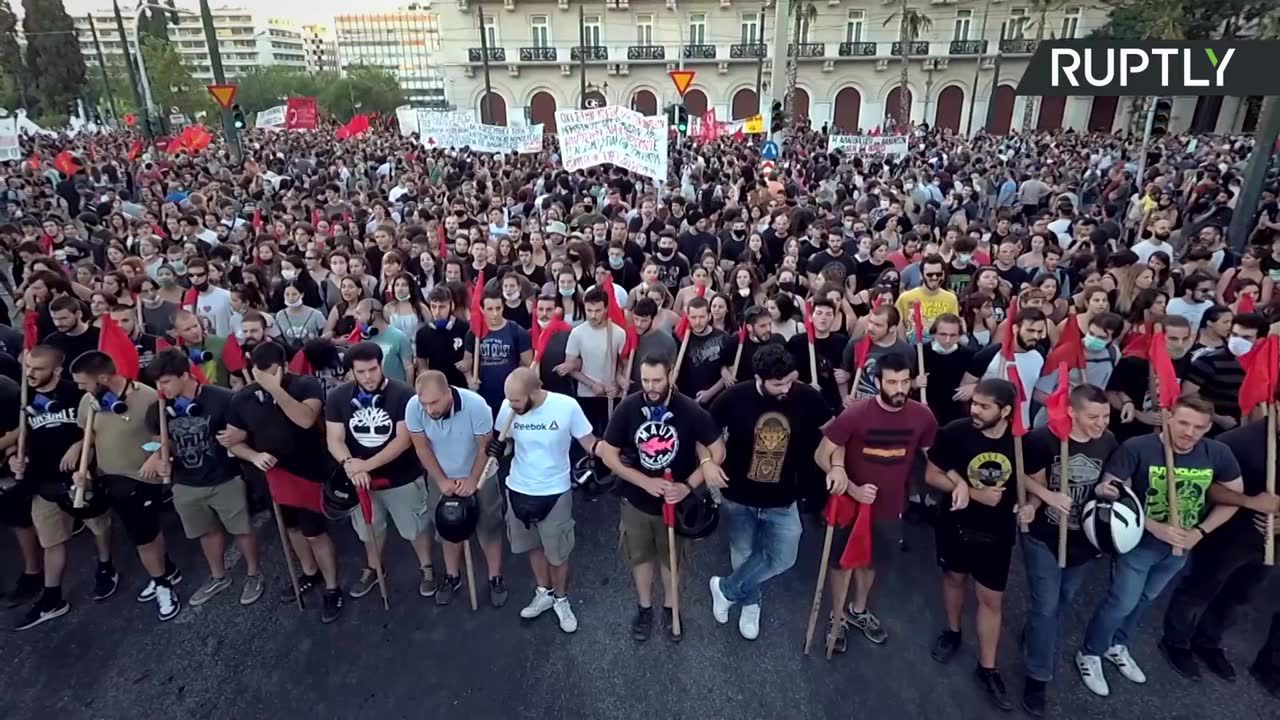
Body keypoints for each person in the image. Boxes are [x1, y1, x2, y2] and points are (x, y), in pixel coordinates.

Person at [1075, 396, 1243, 698]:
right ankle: (1091, 652)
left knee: (1146, 599)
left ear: (1208, 428)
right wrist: (1153, 525)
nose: (1189, 432)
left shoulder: (1218, 452)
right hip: (1138, 544)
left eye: (1199, 427)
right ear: (1168, 418)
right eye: (1183, 423)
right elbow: (1113, 492)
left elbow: (1234, 498)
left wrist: (1200, 532)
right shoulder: (1137, 447)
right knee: (1122, 601)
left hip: (1181, 546)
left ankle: (1118, 645)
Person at [707, 344, 834, 640]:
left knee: (784, 557)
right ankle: (751, 603)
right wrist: (707, 463)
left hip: (784, 497)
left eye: (790, 380)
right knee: (743, 553)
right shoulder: (734, 397)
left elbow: (834, 432)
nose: (786, 388)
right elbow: (706, 433)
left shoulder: (806, 396)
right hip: (738, 494)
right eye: (778, 384)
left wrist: (836, 465)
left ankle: (726, 589)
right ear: (758, 378)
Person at [815, 352, 936, 652]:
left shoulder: (923, 416)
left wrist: (958, 483)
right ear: (878, 381)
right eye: (892, 382)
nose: (900, 389)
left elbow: (933, 457)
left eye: (905, 382)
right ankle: (837, 617)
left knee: (872, 561)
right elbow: (822, 455)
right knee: (842, 563)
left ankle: (858, 610)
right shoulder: (855, 414)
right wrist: (850, 487)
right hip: (851, 504)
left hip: (891, 506)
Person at [599, 354, 722, 642]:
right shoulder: (628, 407)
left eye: (657, 380)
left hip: (675, 505)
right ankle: (644, 609)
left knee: (672, 561)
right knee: (640, 558)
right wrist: (643, 481)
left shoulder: (689, 409)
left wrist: (688, 486)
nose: (651, 387)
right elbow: (607, 453)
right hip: (636, 502)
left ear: (671, 375)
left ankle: (670, 608)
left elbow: (718, 450)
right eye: (645, 380)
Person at [1016, 384, 1118, 716]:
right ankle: (1037, 677)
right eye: (1093, 417)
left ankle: (1035, 632)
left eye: (1105, 416)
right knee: (1046, 608)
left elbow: (1109, 479)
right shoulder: (1042, 440)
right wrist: (1048, 496)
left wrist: (1108, 489)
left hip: (1084, 539)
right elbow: (1022, 475)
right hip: (1044, 536)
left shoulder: (1108, 440)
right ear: (1071, 412)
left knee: (1063, 598)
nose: (1101, 423)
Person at [224, 341, 343, 623]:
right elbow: (234, 441)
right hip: (274, 475)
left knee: (315, 532)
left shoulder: (306, 385)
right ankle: (309, 572)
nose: (265, 378)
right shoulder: (242, 398)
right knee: (292, 529)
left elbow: (305, 419)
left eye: (272, 372)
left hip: (311, 471)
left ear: (285, 367)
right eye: (260, 373)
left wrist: (276, 390)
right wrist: (253, 456)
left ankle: (332, 586)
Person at [1158, 407, 1277, 682]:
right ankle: (1176, 641)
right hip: (1229, 535)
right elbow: (1206, 484)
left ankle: (1208, 641)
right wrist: (1251, 502)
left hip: (1268, 543)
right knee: (1200, 588)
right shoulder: (1239, 441)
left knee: (1240, 595)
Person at [925, 378, 1019, 710]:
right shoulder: (955, 431)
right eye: (974, 403)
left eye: (983, 406)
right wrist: (969, 490)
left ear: (1005, 411)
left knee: (991, 598)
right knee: (954, 579)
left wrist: (1033, 504)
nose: (974, 410)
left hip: (998, 531)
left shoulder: (1020, 441)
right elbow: (931, 474)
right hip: (955, 524)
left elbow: (1032, 481)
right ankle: (952, 632)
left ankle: (987, 667)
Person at [8, 345, 115, 629]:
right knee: (51, 540)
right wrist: (15, 458)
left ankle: (106, 565)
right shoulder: (23, 396)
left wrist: (80, 446)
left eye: (38, 369)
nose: (30, 373)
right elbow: (22, 437)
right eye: (28, 367)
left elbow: (101, 429)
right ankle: (52, 597)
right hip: (43, 481)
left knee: (98, 526)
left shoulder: (77, 392)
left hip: (81, 476)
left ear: (56, 370)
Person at [146, 348, 263, 607]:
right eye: (157, 383)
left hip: (225, 478)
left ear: (185, 375)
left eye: (165, 381)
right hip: (186, 484)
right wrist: (156, 456)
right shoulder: (158, 409)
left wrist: (240, 436)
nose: (160, 389)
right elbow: (157, 442)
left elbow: (245, 430)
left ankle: (254, 574)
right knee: (207, 533)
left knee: (242, 529)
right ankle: (218, 576)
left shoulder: (223, 398)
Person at [69, 351, 180, 621]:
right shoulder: (88, 402)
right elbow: (90, 440)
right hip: (110, 479)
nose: (80, 389)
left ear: (103, 378)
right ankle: (167, 570)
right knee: (146, 533)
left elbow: (166, 437)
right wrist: (83, 470)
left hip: (142, 478)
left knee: (143, 538)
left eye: (83, 383)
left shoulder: (148, 397)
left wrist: (153, 454)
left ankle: (162, 585)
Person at [324, 341, 435, 600]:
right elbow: (334, 439)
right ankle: (374, 568)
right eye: (361, 372)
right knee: (369, 530)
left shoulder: (403, 393)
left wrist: (366, 465)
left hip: (402, 476)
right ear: (351, 371)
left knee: (415, 528)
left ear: (380, 365)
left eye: (372, 370)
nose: (368, 377)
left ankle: (427, 567)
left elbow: (403, 439)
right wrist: (351, 465)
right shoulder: (338, 398)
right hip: (359, 480)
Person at [494, 367, 598, 633]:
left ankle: (561, 599)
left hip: (555, 491)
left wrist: (608, 457)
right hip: (518, 488)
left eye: (517, 400)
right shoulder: (508, 407)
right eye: (509, 399)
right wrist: (499, 449)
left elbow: (589, 442)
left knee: (558, 553)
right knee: (533, 546)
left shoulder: (566, 406)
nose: (511, 405)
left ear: (534, 392)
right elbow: (506, 443)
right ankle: (544, 592)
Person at [407, 371, 508, 607]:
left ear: (448, 392)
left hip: (480, 475)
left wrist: (472, 480)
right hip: (441, 476)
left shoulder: (476, 406)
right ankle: (452, 576)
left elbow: (485, 447)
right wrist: (442, 481)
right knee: (447, 528)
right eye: (424, 403)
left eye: (435, 402)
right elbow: (422, 448)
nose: (429, 409)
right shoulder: (414, 407)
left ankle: (495, 577)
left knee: (489, 529)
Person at [1106, 315, 1194, 442]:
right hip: (1131, 430)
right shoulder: (1133, 361)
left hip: (1166, 430)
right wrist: (1139, 415)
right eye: (1173, 339)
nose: (1180, 344)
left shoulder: (1185, 359)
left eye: (1184, 339)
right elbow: (1111, 393)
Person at [1181, 311, 1267, 434]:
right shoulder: (1208, 361)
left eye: (1246, 337)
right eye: (1234, 335)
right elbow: (1186, 396)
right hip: (1210, 429)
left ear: (1260, 340)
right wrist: (1217, 418)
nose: (1238, 340)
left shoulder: (1264, 365)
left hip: (1250, 430)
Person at [559, 287, 625, 433]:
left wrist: (618, 385)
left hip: (611, 395)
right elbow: (571, 367)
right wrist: (592, 384)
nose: (593, 315)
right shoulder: (577, 333)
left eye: (598, 310)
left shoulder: (619, 333)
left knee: (610, 437)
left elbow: (623, 364)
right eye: (589, 310)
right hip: (586, 395)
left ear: (606, 309)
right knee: (588, 437)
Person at [465, 287, 532, 414]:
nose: (495, 313)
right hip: (483, 396)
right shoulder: (474, 334)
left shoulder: (517, 331)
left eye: (498, 308)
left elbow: (528, 364)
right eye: (490, 309)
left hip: (510, 396)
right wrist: (469, 379)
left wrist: (519, 386)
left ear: (503, 307)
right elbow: (467, 362)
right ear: (482, 309)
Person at [674, 296, 729, 405]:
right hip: (685, 399)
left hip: (714, 400)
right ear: (688, 317)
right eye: (693, 317)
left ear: (709, 316)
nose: (697, 322)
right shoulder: (680, 338)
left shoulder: (724, 338)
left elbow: (729, 374)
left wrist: (710, 393)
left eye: (702, 317)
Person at [415, 285, 470, 389]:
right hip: (437, 387)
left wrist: (467, 364)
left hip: (461, 386)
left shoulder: (464, 329)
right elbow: (422, 367)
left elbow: (471, 359)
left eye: (442, 307)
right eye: (433, 306)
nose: (437, 312)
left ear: (451, 306)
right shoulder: (422, 334)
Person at [351, 298, 413, 385]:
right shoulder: (362, 338)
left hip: (395, 389)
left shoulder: (399, 336)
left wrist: (408, 390)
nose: (355, 317)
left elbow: (408, 367)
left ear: (371, 314)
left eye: (359, 313)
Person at [43, 295, 99, 364]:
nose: (58, 323)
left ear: (78, 314)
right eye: (54, 319)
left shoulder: (100, 336)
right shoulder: (51, 342)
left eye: (64, 318)